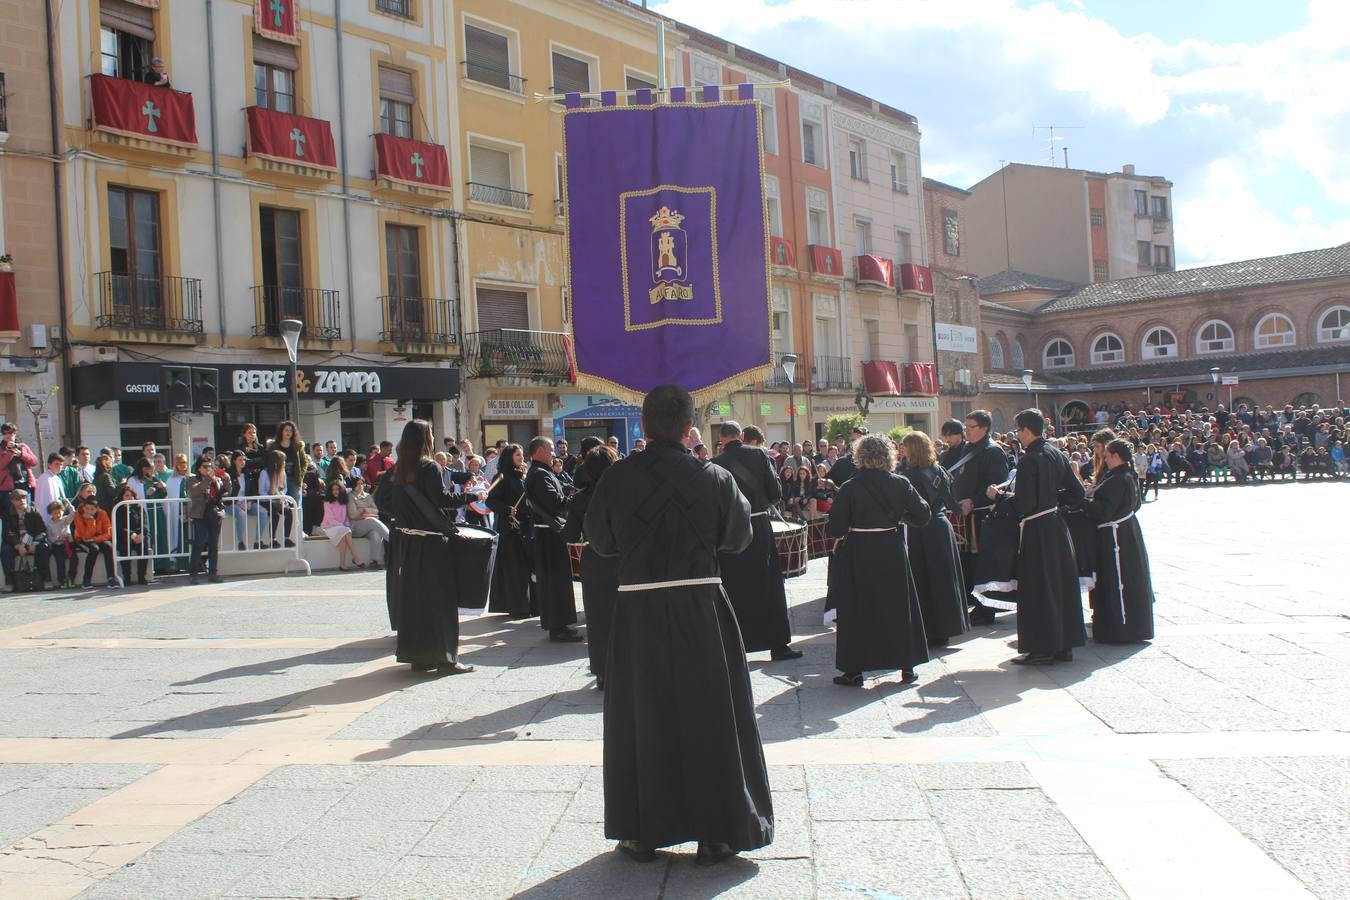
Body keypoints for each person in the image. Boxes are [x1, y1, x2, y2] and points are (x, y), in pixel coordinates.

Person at [586, 384, 771, 865]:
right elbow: (737, 539)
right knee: (713, 713)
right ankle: (720, 833)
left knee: (643, 715)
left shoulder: (616, 477)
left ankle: (643, 831)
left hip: (639, 610)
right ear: (691, 428)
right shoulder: (715, 477)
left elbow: (601, 544)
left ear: (643, 426)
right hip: (700, 605)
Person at [825, 433, 932, 686]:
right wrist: (897, 519)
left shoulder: (850, 487)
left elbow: (836, 528)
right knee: (897, 606)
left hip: (859, 551)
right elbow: (923, 515)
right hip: (891, 549)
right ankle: (907, 667)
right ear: (889, 456)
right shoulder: (901, 483)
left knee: (856, 609)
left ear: (859, 456)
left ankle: (854, 671)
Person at [375, 419, 477, 675]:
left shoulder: (398, 469)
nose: (433, 436)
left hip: (407, 543)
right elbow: (442, 499)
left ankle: (419, 657)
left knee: (415, 601)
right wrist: (473, 496)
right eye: (431, 432)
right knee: (440, 601)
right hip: (431, 543)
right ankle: (445, 659)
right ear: (424, 438)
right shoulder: (429, 467)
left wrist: (403, 517)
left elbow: (381, 500)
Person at [986, 409, 1086, 665]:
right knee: (1060, 585)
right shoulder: (1057, 453)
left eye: (1018, 430)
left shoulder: (1030, 459)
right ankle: (1064, 645)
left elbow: (1024, 505)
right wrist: (1052, 503)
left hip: (1038, 530)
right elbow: (1076, 492)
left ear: (1027, 430)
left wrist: (1000, 497)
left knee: (1038, 586)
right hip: (1057, 527)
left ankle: (1042, 647)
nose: (1017, 435)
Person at [710, 421, 801, 661]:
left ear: (721, 439)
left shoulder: (714, 464)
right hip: (758, 525)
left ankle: (734, 645)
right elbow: (775, 492)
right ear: (740, 435)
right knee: (768, 583)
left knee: (733, 584)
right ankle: (778, 646)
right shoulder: (760, 455)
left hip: (730, 530)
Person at [900, 432, 969, 649]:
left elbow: (913, 507)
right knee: (944, 579)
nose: (902, 451)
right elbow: (951, 500)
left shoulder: (911, 476)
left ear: (913, 450)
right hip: (941, 527)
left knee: (924, 579)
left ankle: (928, 630)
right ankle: (945, 630)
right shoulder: (939, 470)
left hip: (921, 530)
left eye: (905, 448)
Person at [1085, 439, 1155, 644]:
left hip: (1115, 538)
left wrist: (1083, 503)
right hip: (1127, 532)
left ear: (1116, 456)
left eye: (1107, 455)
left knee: (1119, 581)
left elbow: (1104, 510)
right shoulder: (1127, 476)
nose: (1104, 459)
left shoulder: (1117, 479)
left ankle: (1119, 629)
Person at [561, 445, 620, 687]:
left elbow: (569, 535)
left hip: (594, 560)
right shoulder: (625, 493)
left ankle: (602, 671)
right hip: (625, 560)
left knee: (597, 618)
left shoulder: (579, 498)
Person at [953, 411, 1011, 626]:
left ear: (984, 428)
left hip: (983, 515)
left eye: (971, 426)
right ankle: (973, 601)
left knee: (983, 562)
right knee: (969, 562)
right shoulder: (968, 448)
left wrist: (973, 501)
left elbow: (998, 485)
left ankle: (986, 609)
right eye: (965, 426)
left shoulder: (993, 451)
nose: (966, 430)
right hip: (965, 516)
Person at [524, 436, 582, 642]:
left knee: (557, 580)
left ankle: (559, 624)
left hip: (548, 534)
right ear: (539, 451)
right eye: (550, 449)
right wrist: (577, 499)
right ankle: (558, 627)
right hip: (548, 535)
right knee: (556, 581)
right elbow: (554, 502)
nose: (553, 453)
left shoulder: (542, 472)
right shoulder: (539, 474)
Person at [486, 444, 534, 619]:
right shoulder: (502, 477)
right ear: (509, 457)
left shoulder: (522, 475)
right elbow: (491, 501)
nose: (521, 457)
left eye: (522, 454)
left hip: (524, 526)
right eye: (517, 455)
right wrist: (507, 509)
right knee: (514, 567)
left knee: (526, 566)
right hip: (509, 528)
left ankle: (529, 604)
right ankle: (518, 606)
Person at [186, 455, 228, 585]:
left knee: (213, 545)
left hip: (215, 514)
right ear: (199, 468)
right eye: (205, 467)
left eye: (210, 466)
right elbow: (195, 491)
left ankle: (213, 573)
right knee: (199, 543)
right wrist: (208, 479)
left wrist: (226, 479)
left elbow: (227, 491)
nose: (208, 469)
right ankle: (193, 574)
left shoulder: (216, 479)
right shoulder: (193, 479)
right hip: (201, 515)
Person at [266, 421, 308, 533]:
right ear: (281, 431)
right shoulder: (274, 446)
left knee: (296, 505)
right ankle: (284, 534)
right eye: (286, 430)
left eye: (291, 430)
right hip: (279, 480)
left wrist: (301, 475)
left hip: (294, 479)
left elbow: (304, 463)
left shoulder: (298, 446)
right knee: (280, 506)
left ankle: (299, 531)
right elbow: (269, 461)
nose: (288, 432)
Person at [1, 491, 47, 592]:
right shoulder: (7, 513)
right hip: (16, 543)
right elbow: (7, 532)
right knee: (5, 550)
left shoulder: (34, 511)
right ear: (12, 501)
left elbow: (42, 530)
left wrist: (35, 543)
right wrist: (18, 545)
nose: (22, 500)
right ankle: (9, 583)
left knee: (43, 548)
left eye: (24, 497)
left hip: (31, 541)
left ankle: (45, 580)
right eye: (18, 498)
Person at [72, 497, 116, 589]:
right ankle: (86, 580)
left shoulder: (102, 514)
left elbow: (108, 533)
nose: (88, 511)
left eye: (92, 509)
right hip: (82, 540)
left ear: (97, 509)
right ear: (83, 507)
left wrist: (96, 539)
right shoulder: (78, 515)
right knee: (94, 549)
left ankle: (111, 578)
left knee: (109, 546)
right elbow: (85, 536)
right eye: (87, 508)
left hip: (96, 539)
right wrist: (90, 520)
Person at [111, 484, 150, 586]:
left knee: (144, 548)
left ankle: (142, 577)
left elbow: (145, 523)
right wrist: (130, 534)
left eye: (131, 495)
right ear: (122, 497)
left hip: (139, 536)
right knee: (124, 549)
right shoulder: (118, 509)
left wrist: (141, 534)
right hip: (125, 536)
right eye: (126, 496)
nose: (129, 498)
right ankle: (126, 578)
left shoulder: (139, 507)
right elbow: (118, 526)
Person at [320, 480, 362, 571]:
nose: (335, 491)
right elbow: (330, 520)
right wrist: (343, 527)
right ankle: (355, 556)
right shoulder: (327, 502)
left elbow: (346, 518)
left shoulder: (343, 502)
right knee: (346, 531)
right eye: (333, 489)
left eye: (337, 489)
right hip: (329, 527)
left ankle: (342, 564)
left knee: (343, 538)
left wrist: (346, 525)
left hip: (341, 528)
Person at [347, 477, 388, 571]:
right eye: (358, 484)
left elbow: (376, 511)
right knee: (372, 521)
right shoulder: (351, 496)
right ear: (353, 485)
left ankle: (374, 561)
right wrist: (366, 512)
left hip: (367, 525)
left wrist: (364, 511)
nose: (360, 486)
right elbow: (353, 515)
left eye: (362, 484)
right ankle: (392, 539)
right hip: (355, 526)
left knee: (376, 533)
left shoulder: (368, 496)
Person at [258, 449, 294, 548]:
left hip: (278, 499)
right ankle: (272, 540)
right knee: (275, 513)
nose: (284, 463)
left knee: (288, 512)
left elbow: (284, 488)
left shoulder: (283, 473)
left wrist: (280, 494)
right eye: (283, 461)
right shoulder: (264, 473)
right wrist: (272, 496)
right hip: (266, 500)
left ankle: (286, 538)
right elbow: (261, 492)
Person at [0, 422, 37, 512]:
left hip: (24, 484)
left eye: (10, 432)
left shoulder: (22, 446)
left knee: (26, 512)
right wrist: (10, 451)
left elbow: (34, 461)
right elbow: (1, 465)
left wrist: (22, 454)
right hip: (7, 487)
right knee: (9, 513)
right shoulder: (1, 448)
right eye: (4, 433)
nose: (7, 435)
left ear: (14, 433)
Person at [43, 499, 77, 589]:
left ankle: (71, 578)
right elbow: (50, 538)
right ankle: (62, 580)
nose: (58, 515)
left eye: (59, 512)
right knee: (60, 561)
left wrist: (69, 504)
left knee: (74, 559)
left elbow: (73, 514)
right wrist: (57, 537)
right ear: (51, 514)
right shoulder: (49, 525)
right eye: (55, 513)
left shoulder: (65, 519)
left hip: (68, 543)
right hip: (57, 545)